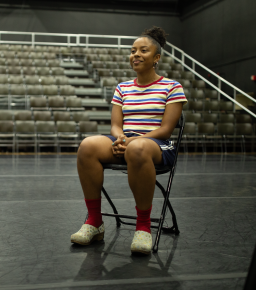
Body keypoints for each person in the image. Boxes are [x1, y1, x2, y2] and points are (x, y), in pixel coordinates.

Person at [70, 26, 187, 255]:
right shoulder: (122, 88)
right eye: (133, 50)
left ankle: (143, 227)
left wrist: (134, 141)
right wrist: (121, 137)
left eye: (143, 50)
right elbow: (115, 125)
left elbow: (165, 130)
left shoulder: (172, 88)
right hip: (127, 142)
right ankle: (94, 222)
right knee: (87, 146)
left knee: (139, 148)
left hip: (157, 146)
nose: (136, 54)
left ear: (156, 58)